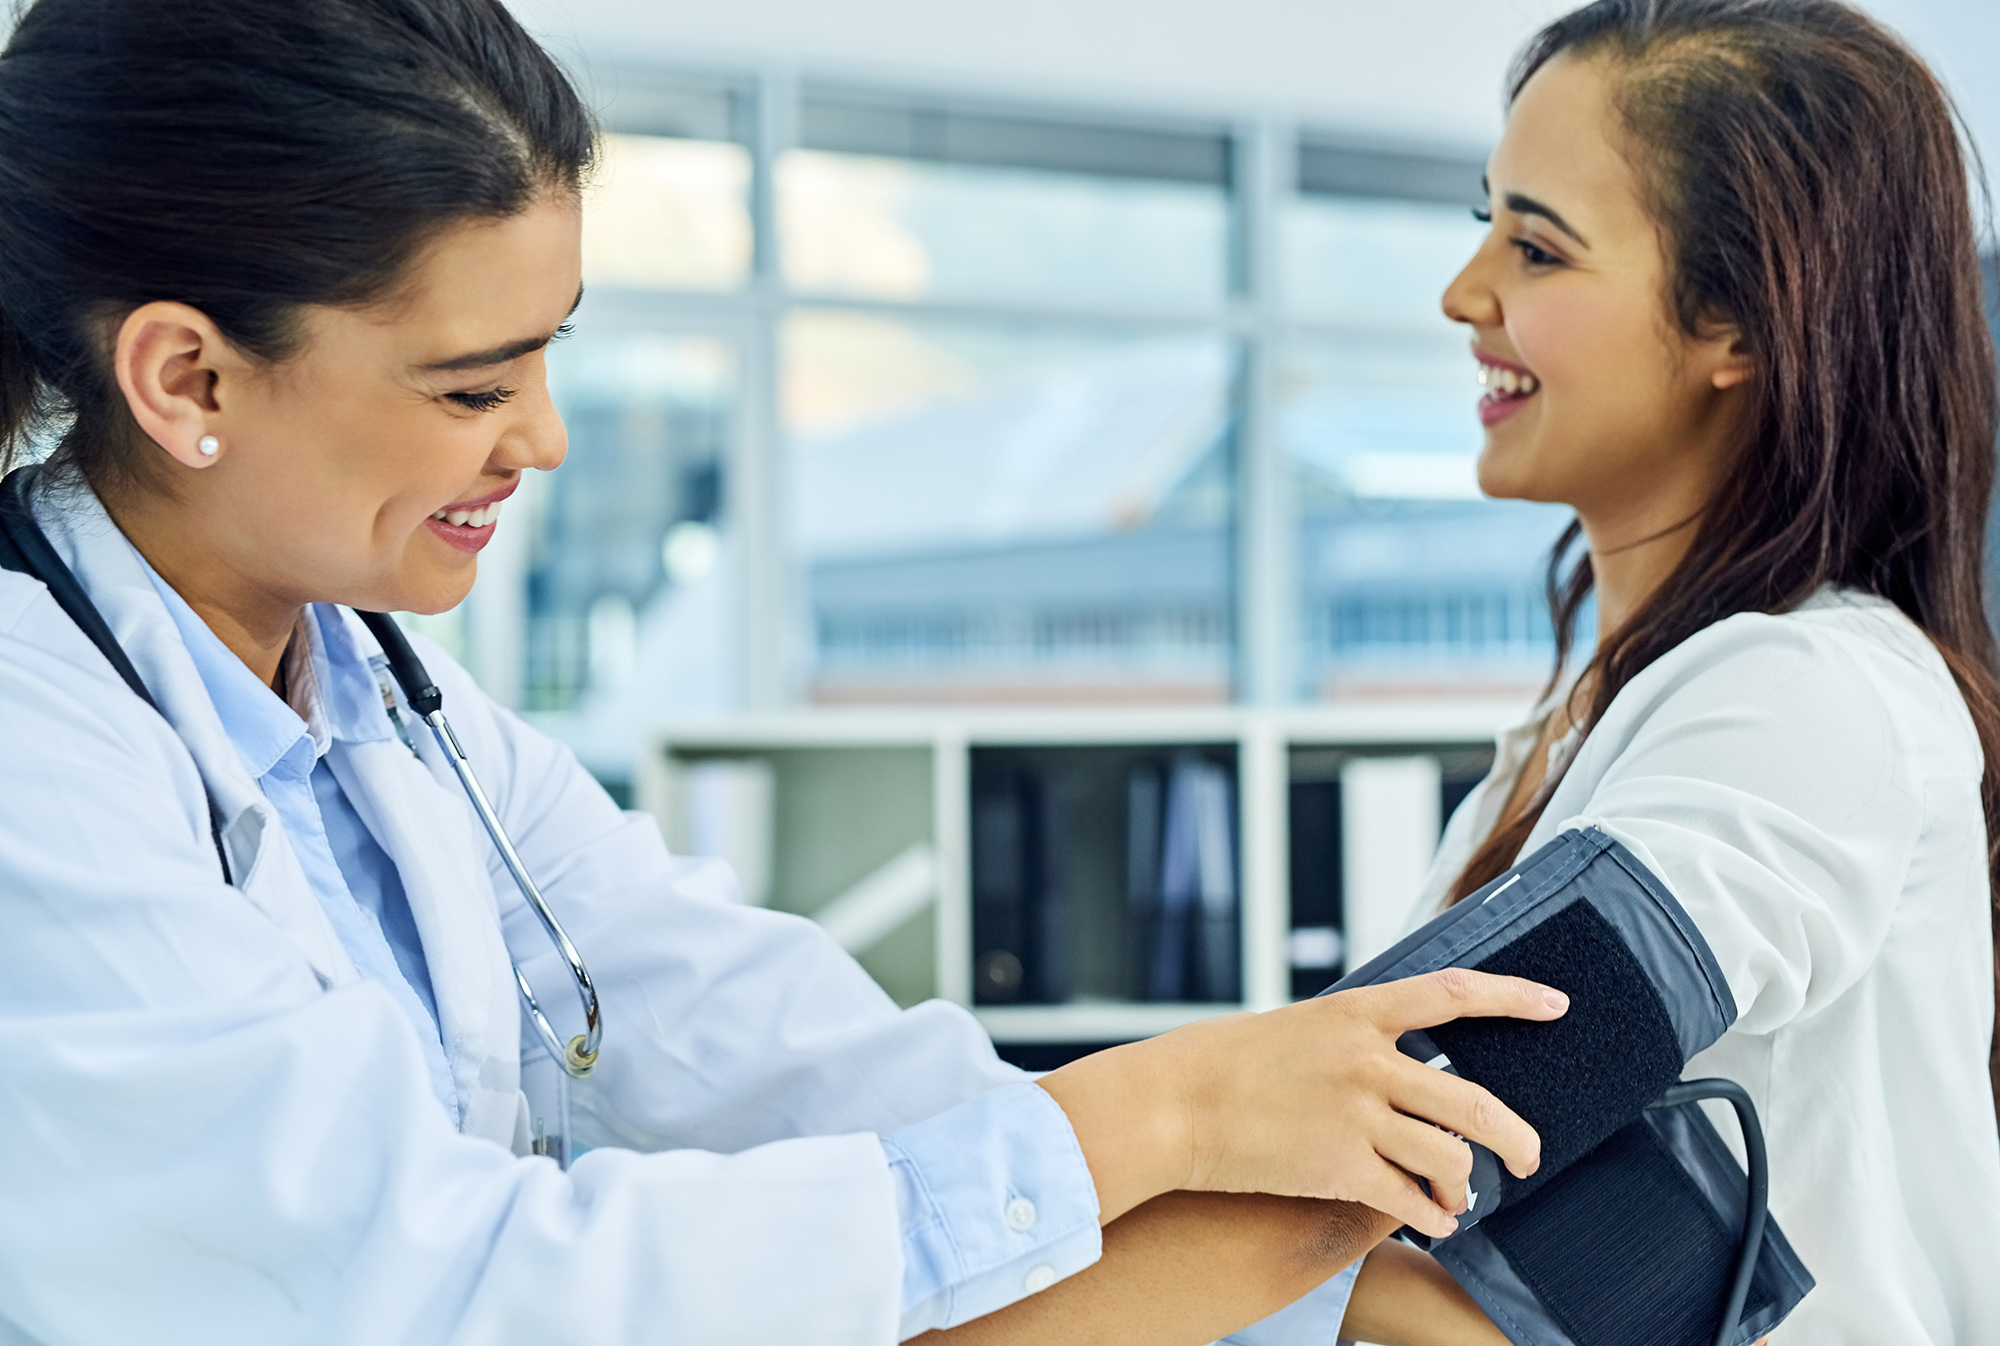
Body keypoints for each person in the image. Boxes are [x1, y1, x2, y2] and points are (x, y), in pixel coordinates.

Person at [0, 2, 1573, 1342]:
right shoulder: (34, 747)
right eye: (473, 383)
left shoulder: (384, 702)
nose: (541, 439)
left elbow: (772, 1044)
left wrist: (1292, 1215)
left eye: (550, 353)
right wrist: (1161, 1120)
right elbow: (442, 1286)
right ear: (187, 374)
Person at [1334, 1, 2000, 1342]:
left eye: (1536, 247)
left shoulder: (1811, 695)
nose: (1467, 296)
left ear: (1736, 326)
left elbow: (1409, 1131)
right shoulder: (1589, 724)